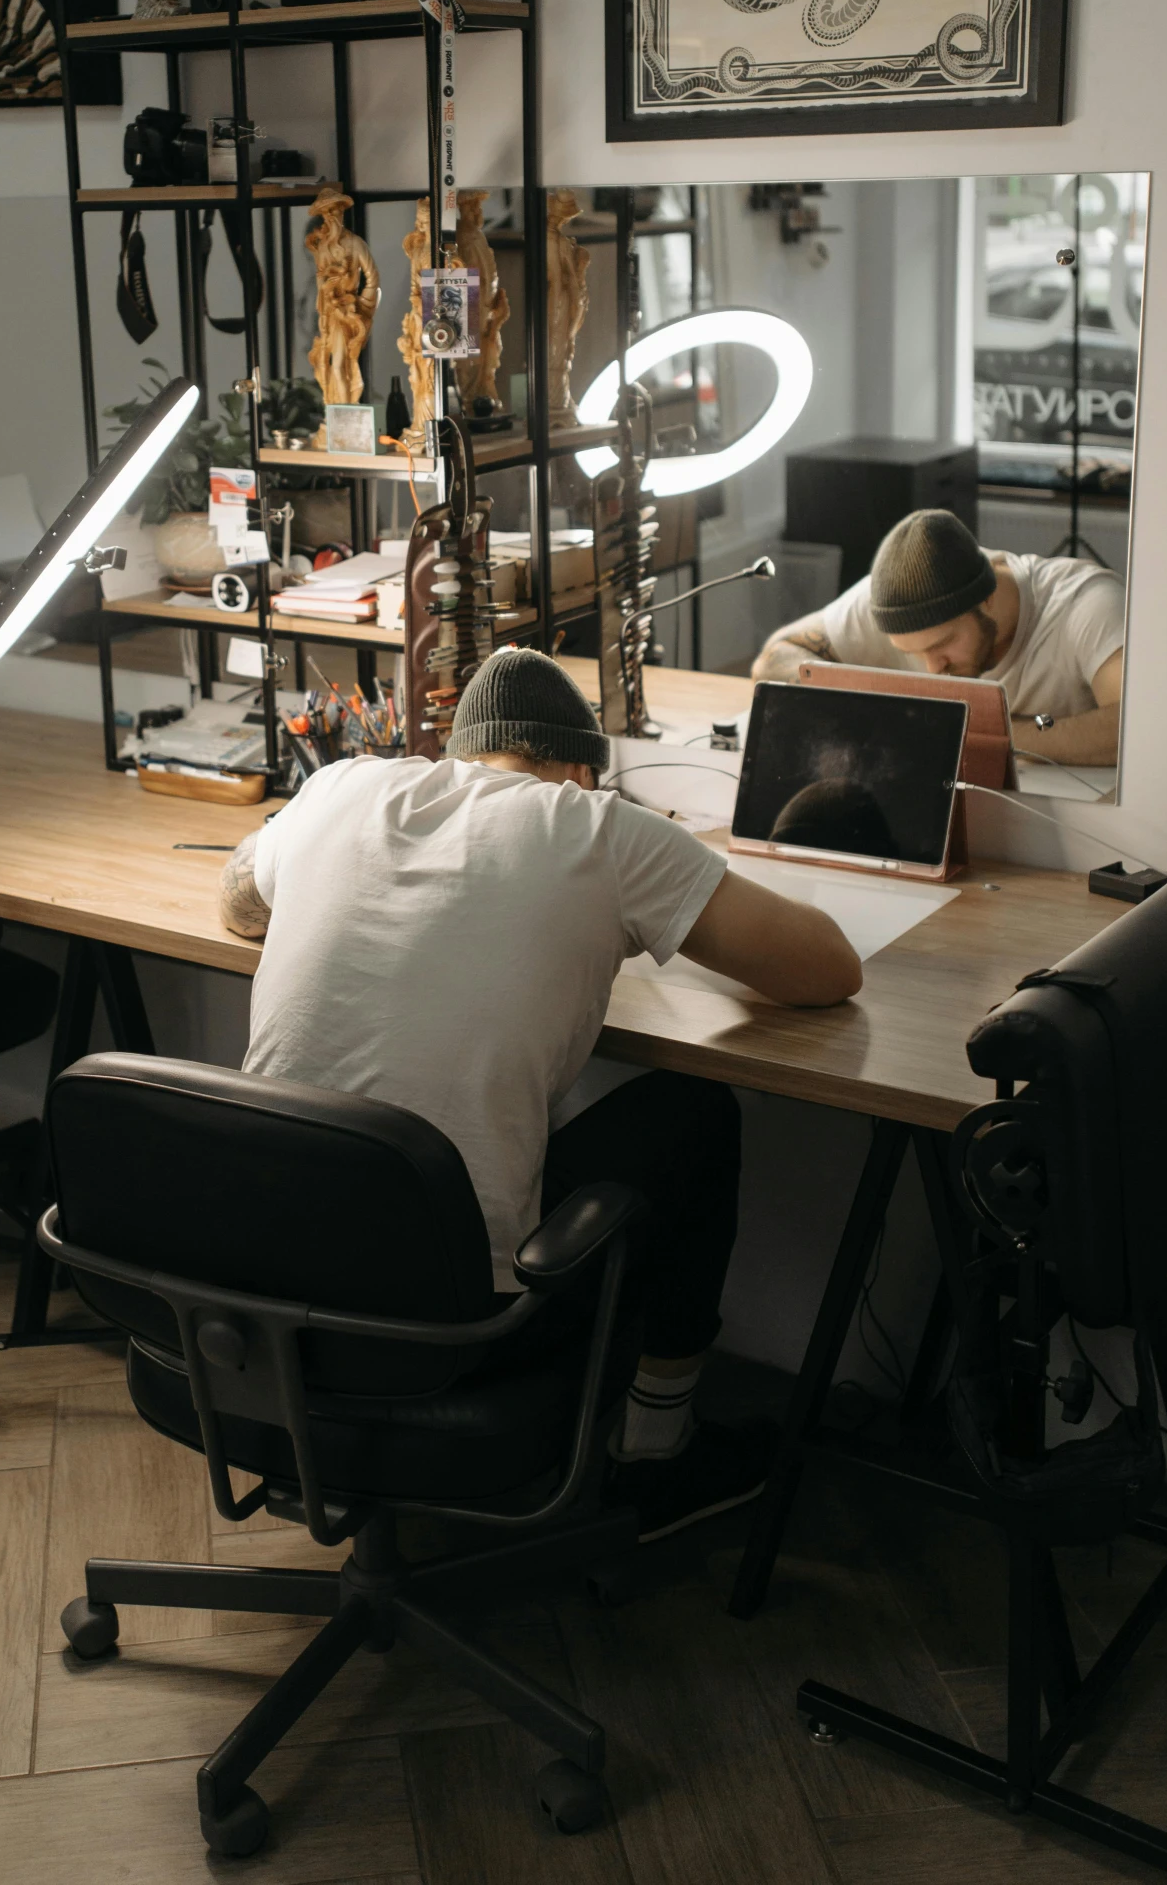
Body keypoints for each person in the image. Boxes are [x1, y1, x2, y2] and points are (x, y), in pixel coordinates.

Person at [218, 649, 862, 1543]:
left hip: (249, 1297)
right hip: (454, 1333)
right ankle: (656, 1447)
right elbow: (826, 969)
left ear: (455, 755)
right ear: (584, 774)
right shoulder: (601, 830)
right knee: (693, 1114)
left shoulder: (339, 790)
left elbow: (237, 901)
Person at [752, 508, 1126, 767]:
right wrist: (878, 714)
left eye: (941, 644)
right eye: (912, 653)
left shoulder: (1085, 603)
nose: (933, 668)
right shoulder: (891, 604)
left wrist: (978, 735)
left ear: (988, 597)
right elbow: (774, 660)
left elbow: (1130, 729)